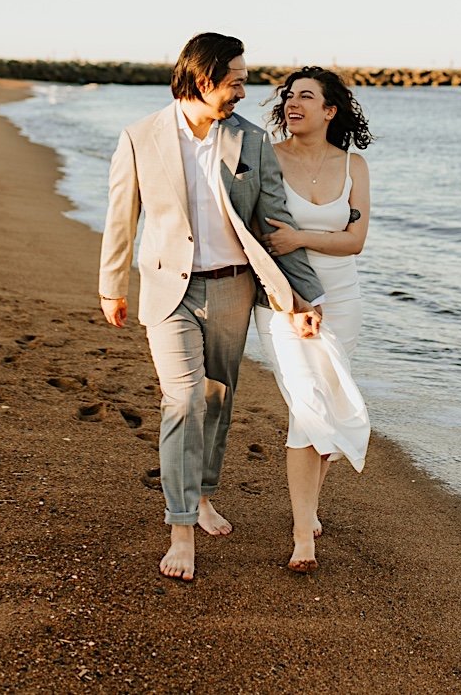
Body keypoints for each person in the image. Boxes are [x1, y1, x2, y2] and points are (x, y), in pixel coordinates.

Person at [98, 32, 324, 581]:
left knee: (218, 401)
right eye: (237, 82)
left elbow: (275, 224)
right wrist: (112, 284)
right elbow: (121, 215)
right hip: (167, 290)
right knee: (183, 401)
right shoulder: (140, 137)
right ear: (204, 81)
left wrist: (302, 297)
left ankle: (202, 496)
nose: (245, 92)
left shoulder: (250, 140)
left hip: (232, 289)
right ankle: (180, 528)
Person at [254, 66, 375, 572]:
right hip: (285, 300)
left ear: (331, 110)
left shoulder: (355, 167)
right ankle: (304, 533)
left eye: (307, 96)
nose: (293, 104)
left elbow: (355, 242)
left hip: (343, 300)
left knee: (323, 403)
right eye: (289, 97)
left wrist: (302, 237)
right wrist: (298, 300)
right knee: (306, 403)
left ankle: (308, 508)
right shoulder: (268, 159)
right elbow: (265, 239)